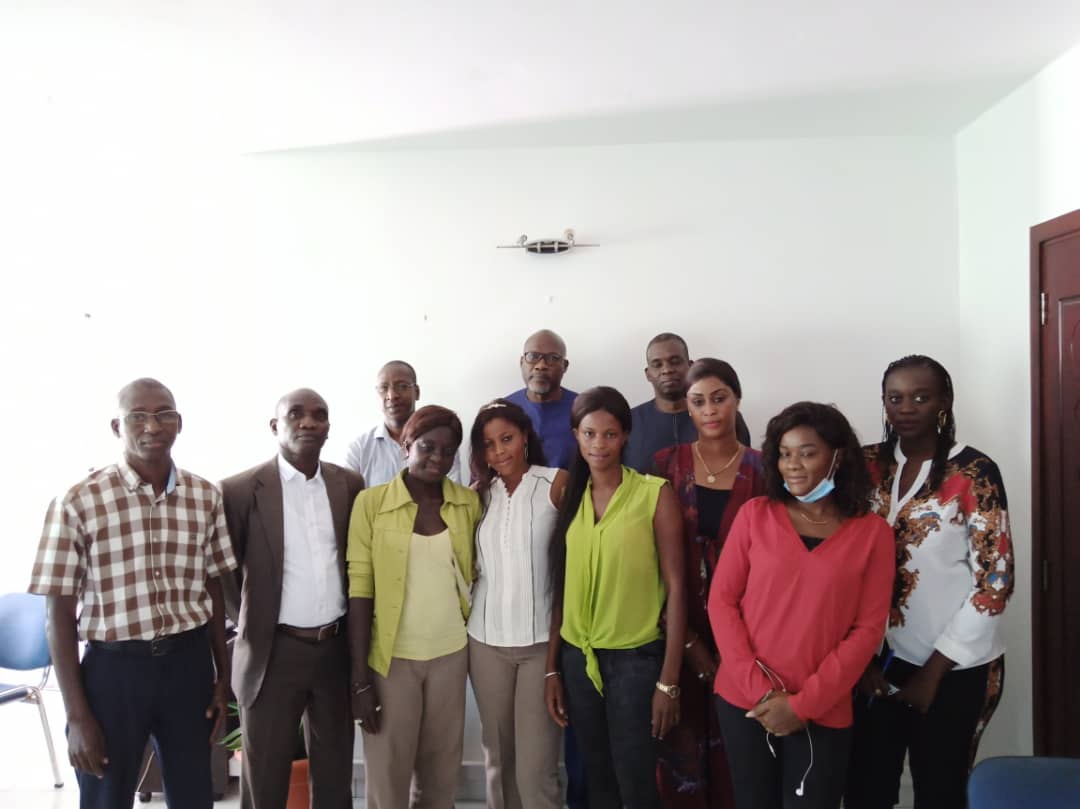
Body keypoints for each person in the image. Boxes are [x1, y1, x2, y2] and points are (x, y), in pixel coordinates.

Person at [28, 378, 237, 809]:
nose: (152, 426)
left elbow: (213, 587)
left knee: (195, 793)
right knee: (106, 795)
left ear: (179, 424)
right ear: (116, 427)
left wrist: (222, 677)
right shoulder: (77, 502)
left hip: (188, 667)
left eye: (164, 415)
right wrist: (77, 714)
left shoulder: (204, 497)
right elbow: (59, 615)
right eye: (137, 416)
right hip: (114, 672)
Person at [845, 355, 1014, 809]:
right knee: (865, 789)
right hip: (874, 664)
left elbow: (995, 580)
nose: (906, 408)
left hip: (954, 667)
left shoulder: (974, 473)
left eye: (921, 397)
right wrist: (857, 659)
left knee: (940, 792)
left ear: (944, 402)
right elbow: (840, 562)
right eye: (895, 398)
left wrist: (933, 673)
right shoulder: (866, 465)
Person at [708, 401, 894, 809]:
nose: (793, 465)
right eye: (784, 453)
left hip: (823, 708)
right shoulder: (755, 515)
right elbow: (722, 603)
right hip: (746, 704)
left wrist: (802, 705)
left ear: (837, 457)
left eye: (807, 453)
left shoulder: (873, 534)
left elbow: (867, 631)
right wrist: (763, 696)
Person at [221, 388, 366, 809]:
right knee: (264, 777)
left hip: (334, 651)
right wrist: (257, 622)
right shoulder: (240, 490)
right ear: (275, 426)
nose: (308, 422)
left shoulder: (348, 484)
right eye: (296, 415)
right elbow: (227, 575)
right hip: (273, 653)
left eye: (319, 416)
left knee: (336, 772)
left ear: (327, 428)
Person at [544, 386, 687, 809]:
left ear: (625, 436)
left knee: (637, 781)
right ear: (576, 435)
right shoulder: (569, 497)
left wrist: (669, 681)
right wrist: (552, 668)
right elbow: (560, 585)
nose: (598, 444)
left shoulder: (653, 494)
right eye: (589, 434)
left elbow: (677, 588)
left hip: (635, 662)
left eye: (609, 434)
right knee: (596, 778)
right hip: (578, 660)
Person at [347, 405, 481, 809]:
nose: (437, 458)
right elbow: (359, 589)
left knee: (441, 776)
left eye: (448, 451)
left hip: (450, 655)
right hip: (391, 661)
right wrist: (360, 681)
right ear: (405, 445)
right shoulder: (371, 504)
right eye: (427, 447)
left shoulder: (466, 504)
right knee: (388, 778)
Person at [650, 359, 765, 808]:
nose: (711, 410)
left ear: (737, 400)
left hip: (751, 641)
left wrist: (733, 653)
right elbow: (650, 562)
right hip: (678, 634)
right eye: (698, 402)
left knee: (744, 766)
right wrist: (692, 647)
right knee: (681, 768)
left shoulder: (766, 469)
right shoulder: (665, 466)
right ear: (687, 410)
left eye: (720, 398)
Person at [467, 399, 568, 809]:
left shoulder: (556, 483)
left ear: (525, 436)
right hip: (484, 643)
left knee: (536, 768)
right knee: (498, 761)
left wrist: (556, 658)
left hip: (540, 646)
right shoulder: (477, 495)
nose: (499, 452)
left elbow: (569, 572)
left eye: (506, 439)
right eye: (489, 445)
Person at [624, 333, 751, 472]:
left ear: (691, 366)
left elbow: (746, 472)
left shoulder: (724, 418)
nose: (667, 370)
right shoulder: (629, 422)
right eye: (658, 365)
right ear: (648, 373)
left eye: (675, 361)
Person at [345, 360, 464, 486]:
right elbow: (349, 498)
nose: (392, 395)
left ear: (417, 392)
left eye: (402, 386)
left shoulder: (441, 441)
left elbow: (453, 492)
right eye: (384, 388)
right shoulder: (360, 448)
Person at [505, 330, 579, 469]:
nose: (541, 365)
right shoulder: (502, 411)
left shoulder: (584, 410)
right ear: (521, 362)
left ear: (565, 366)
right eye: (532, 356)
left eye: (552, 358)